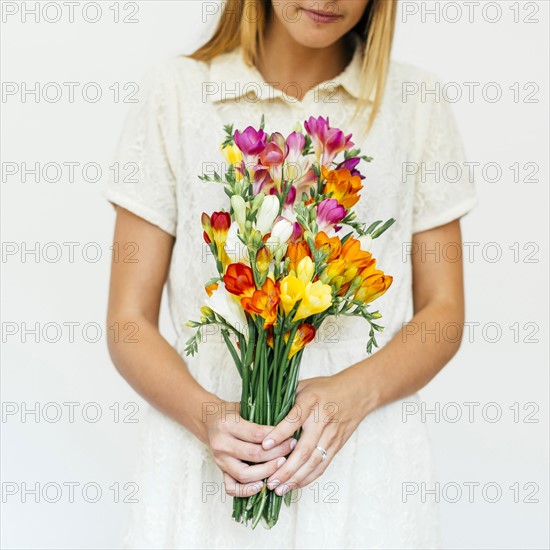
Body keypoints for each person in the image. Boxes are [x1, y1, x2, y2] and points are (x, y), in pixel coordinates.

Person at [105, 1, 477, 548]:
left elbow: (444, 314)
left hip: (364, 467)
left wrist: (353, 395)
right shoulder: (176, 93)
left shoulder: (415, 104)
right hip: (211, 468)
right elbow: (127, 321)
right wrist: (207, 416)